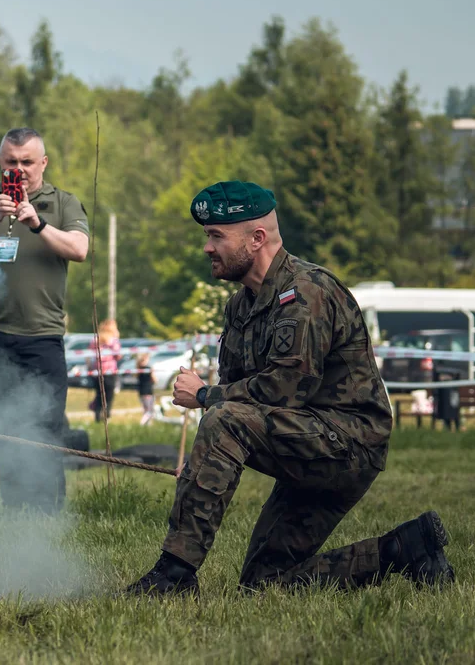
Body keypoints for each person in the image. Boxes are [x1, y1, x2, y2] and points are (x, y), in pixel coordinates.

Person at [128, 180, 454, 596]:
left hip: (346, 447)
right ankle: (404, 549)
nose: (207, 247)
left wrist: (207, 397)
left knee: (224, 418)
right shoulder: (240, 305)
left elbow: (282, 390)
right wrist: (204, 468)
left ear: (257, 238)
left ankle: (174, 574)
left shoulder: (306, 294)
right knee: (263, 585)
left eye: (216, 236)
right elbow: (242, 392)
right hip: (304, 442)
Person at [0, 127, 90, 513]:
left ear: (43, 163)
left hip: (42, 336)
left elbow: (80, 249)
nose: (19, 170)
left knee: (47, 428)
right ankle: (15, 511)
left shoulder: (62, 202)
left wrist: (37, 223)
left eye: (27, 162)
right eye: (11, 162)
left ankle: (49, 512)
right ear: (1, 163)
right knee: (1, 427)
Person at [88, 319, 121, 423]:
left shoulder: (96, 339)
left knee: (99, 394)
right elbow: (118, 355)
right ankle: (107, 416)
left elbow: (89, 355)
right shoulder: (113, 341)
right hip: (110, 371)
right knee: (109, 395)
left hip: (97, 371)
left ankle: (97, 416)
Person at [136, 352, 155, 426]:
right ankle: (142, 423)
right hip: (148, 391)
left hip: (141, 392)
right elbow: (154, 379)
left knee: (145, 409)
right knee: (149, 410)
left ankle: (148, 425)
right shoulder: (148, 369)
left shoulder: (138, 369)